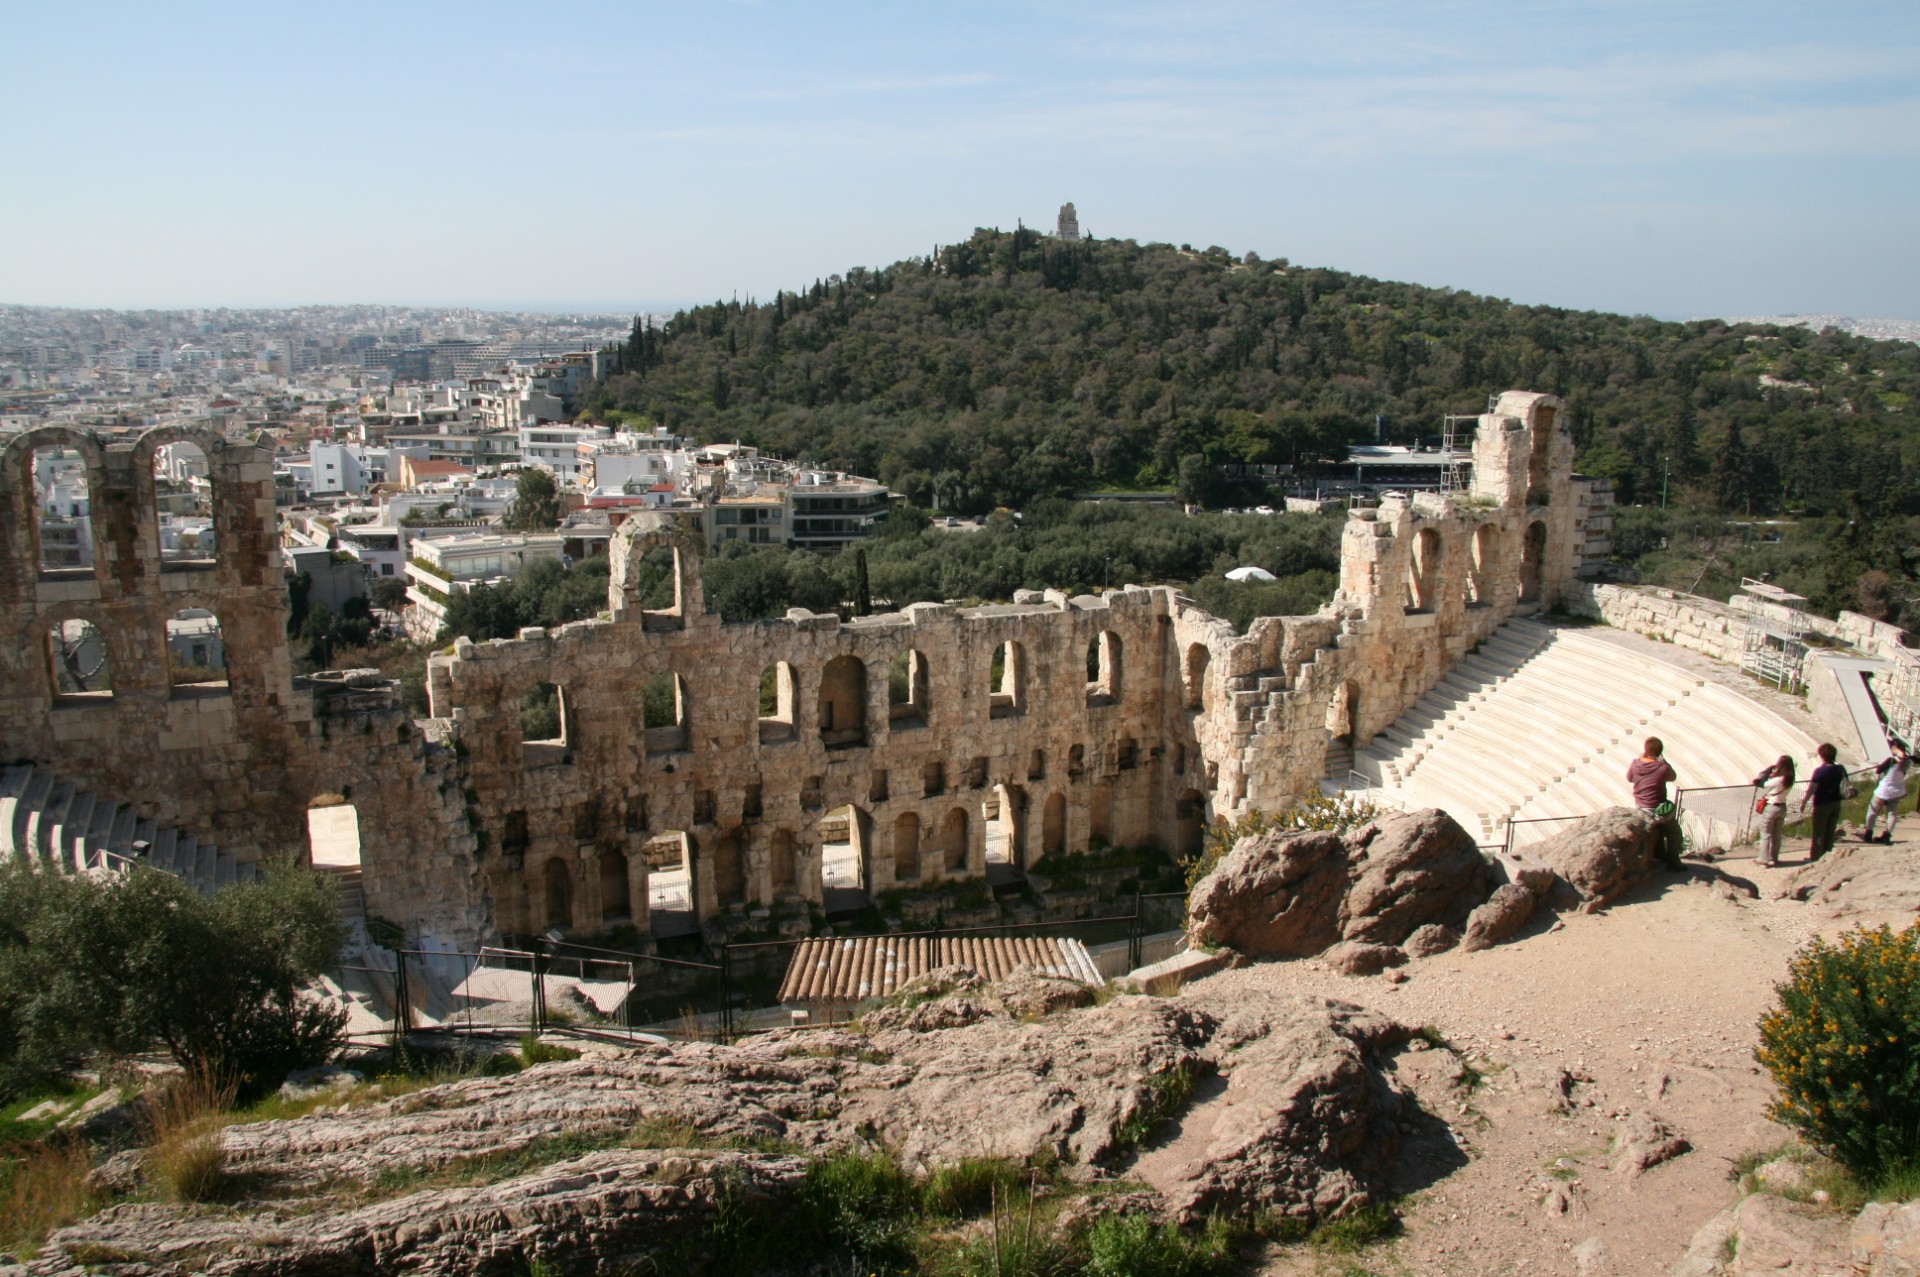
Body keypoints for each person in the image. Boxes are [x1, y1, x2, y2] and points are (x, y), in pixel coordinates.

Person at [1626, 736, 1684, 870]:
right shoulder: (1662, 767)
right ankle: (1674, 863)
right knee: (1674, 833)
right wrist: (1664, 761)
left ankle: (1659, 856)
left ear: (1645, 750)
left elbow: (1629, 778)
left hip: (1641, 807)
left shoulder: (1635, 764)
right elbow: (1673, 777)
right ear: (1659, 752)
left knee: (1658, 831)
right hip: (1659, 808)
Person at [1798, 743, 1848, 862]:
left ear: (1822, 756)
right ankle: (1827, 855)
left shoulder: (1820, 771)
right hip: (1836, 803)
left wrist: (1804, 801)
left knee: (1819, 832)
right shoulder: (1840, 769)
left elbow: (1812, 788)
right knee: (1830, 831)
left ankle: (1816, 858)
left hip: (1822, 804)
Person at [1861, 740, 1910, 844]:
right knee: (1892, 813)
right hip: (1897, 790)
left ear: (1894, 748)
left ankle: (1868, 833)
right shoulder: (1907, 761)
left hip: (1884, 790)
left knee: (1872, 811)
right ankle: (1887, 836)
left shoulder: (1891, 760)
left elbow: (1878, 771)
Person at [1751, 754, 1795, 868]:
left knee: (1765, 834)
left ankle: (1763, 860)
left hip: (1772, 808)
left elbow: (1760, 783)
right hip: (1782, 807)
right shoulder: (1790, 779)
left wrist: (1768, 770)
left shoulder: (1778, 780)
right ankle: (1774, 859)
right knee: (1776, 835)